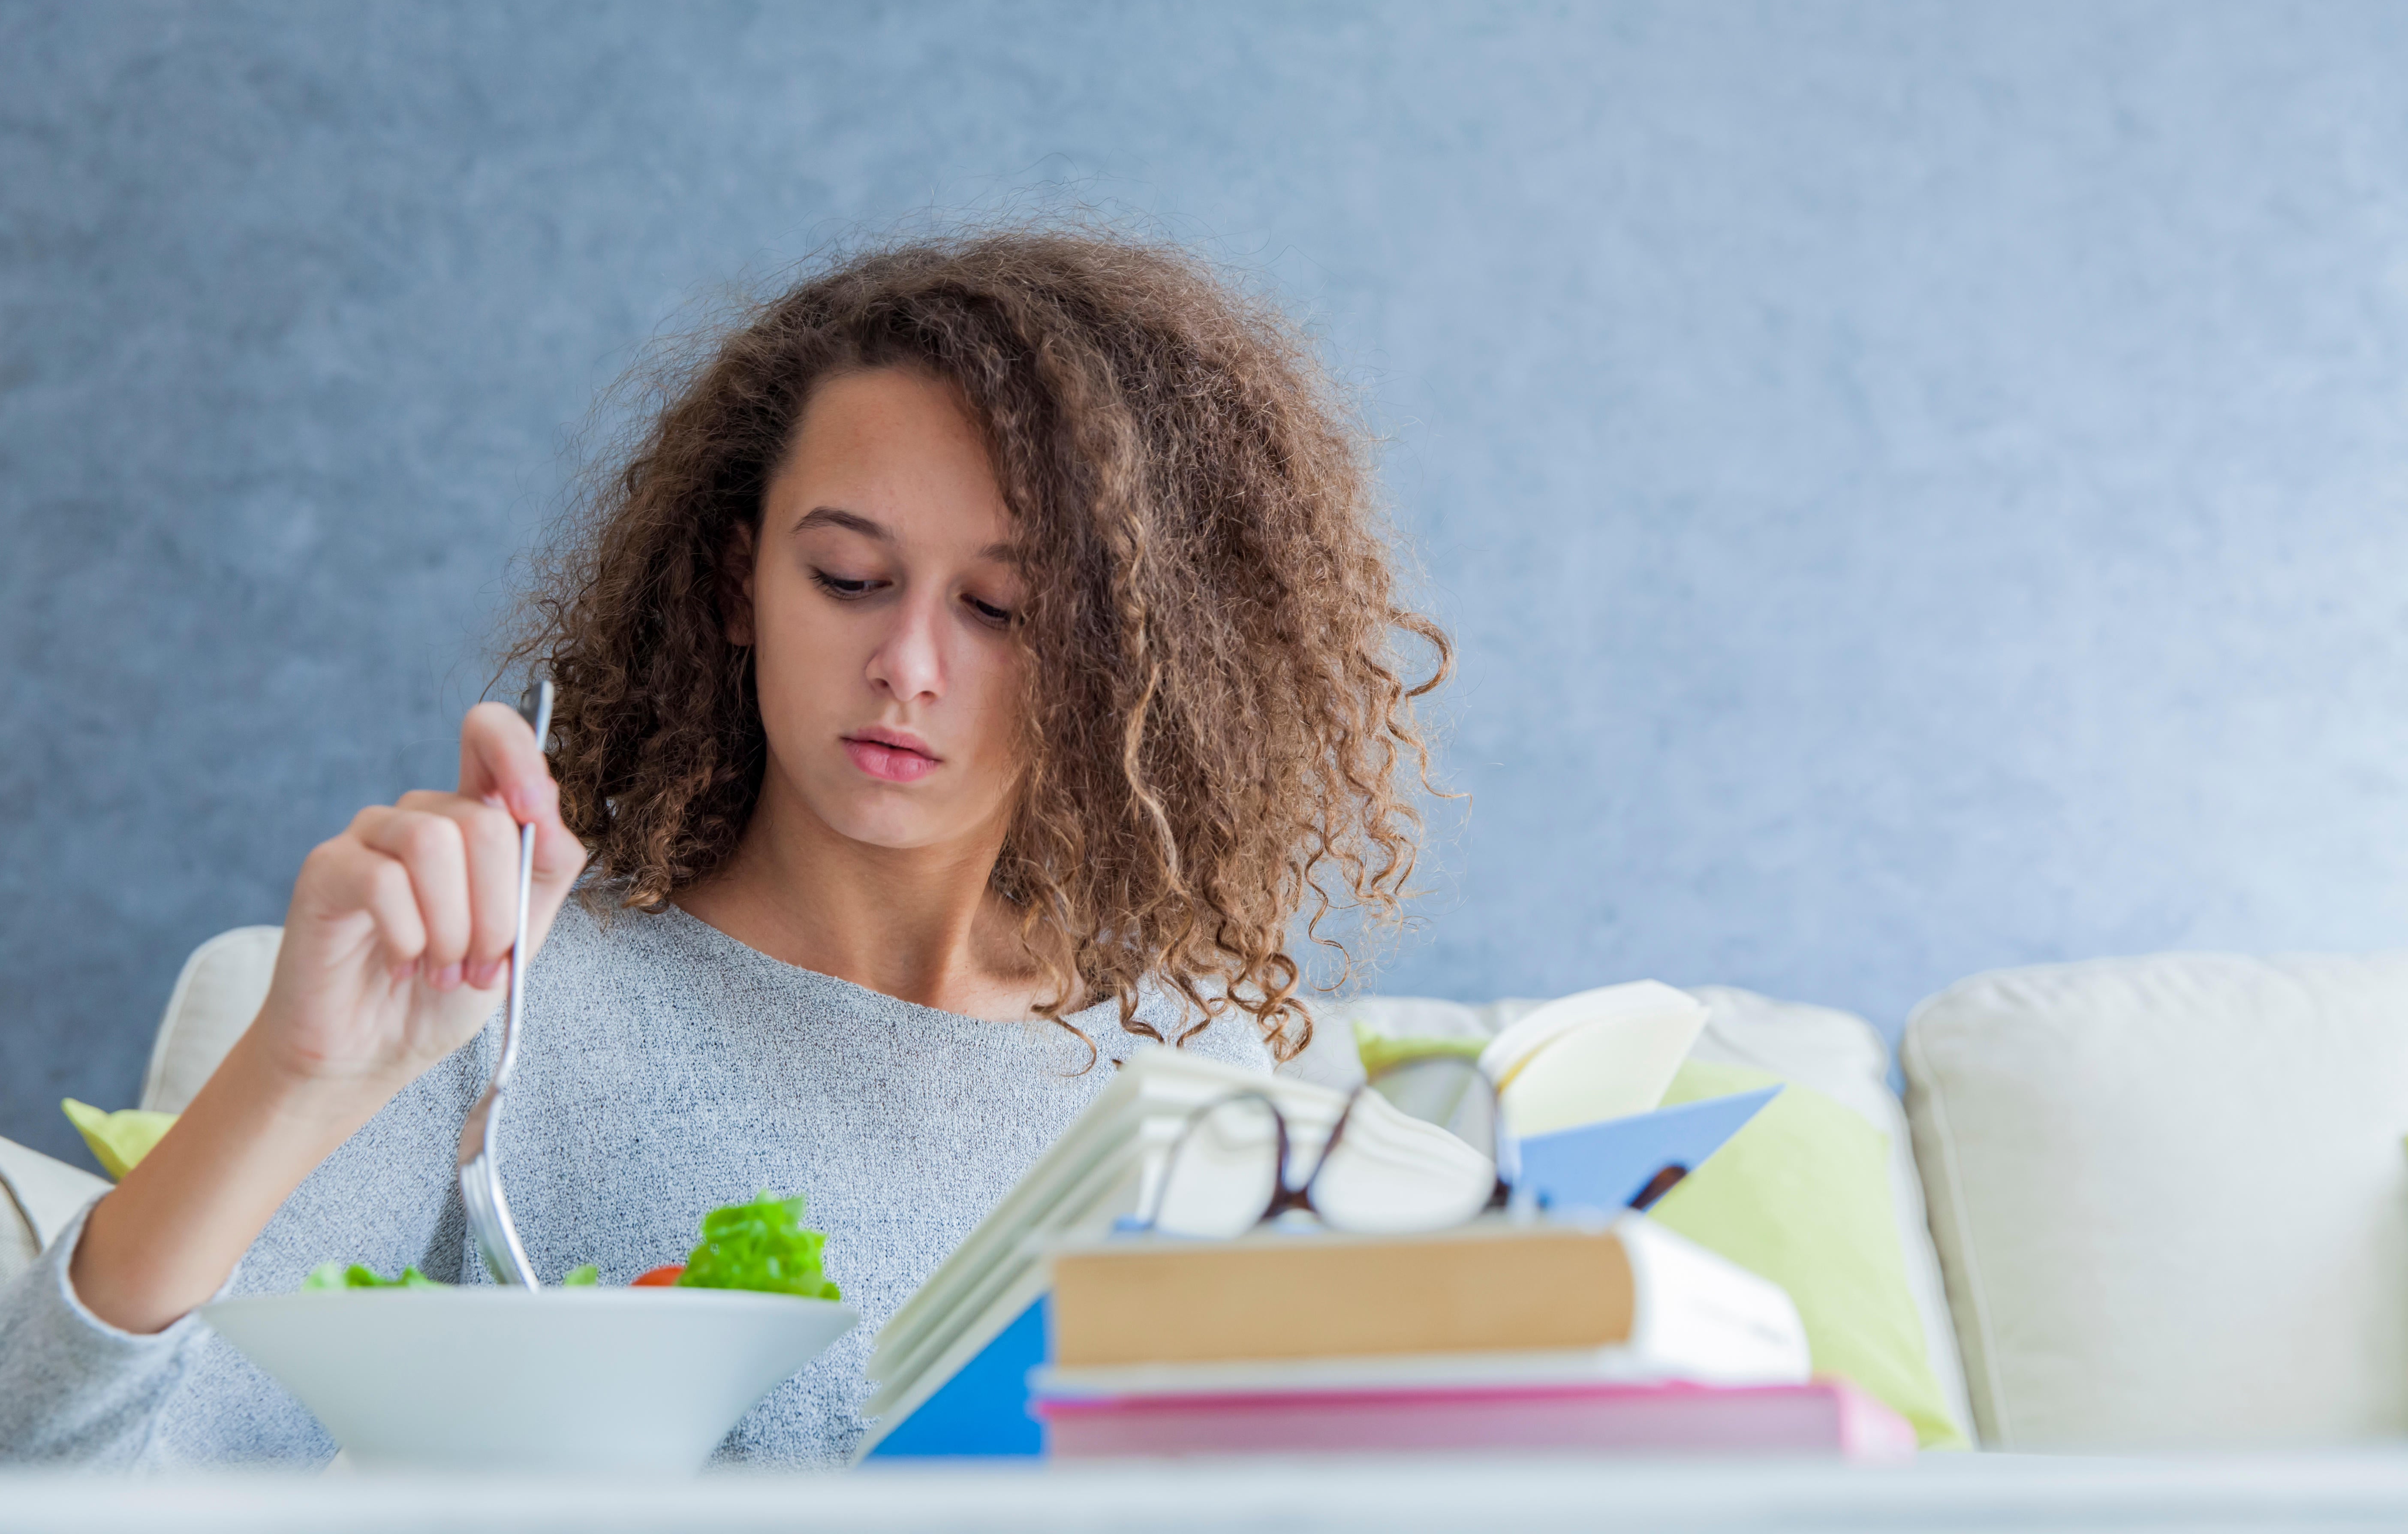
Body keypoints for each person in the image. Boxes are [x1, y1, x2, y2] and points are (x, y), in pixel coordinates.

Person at [0, 229, 1449, 1467]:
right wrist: (297, 1080)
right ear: (735, 583)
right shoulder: (494, 1002)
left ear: (1132, 663)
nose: (909, 666)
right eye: (849, 578)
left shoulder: (1217, 1060)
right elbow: (75, 1476)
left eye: (1003, 609)